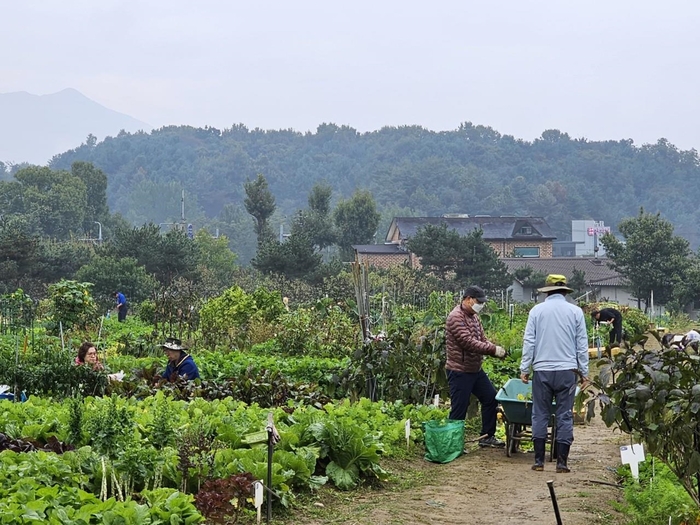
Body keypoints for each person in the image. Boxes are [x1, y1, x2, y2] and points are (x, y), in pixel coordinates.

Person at [521, 274, 589, 473]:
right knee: (565, 415)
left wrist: (525, 368)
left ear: (547, 291)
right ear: (565, 291)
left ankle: (539, 461)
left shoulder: (536, 311)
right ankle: (562, 463)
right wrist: (584, 372)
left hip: (542, 371)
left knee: (540, 414)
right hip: (567, 371)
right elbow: (581, 345)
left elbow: (529, 342)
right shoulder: (575, 312)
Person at [445, 285, 507, 448]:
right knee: (459, 407)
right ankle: (453, 444)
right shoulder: (455, 317)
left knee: (490, 398)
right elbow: (468, 342)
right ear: (468, 299)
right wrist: (493, 349)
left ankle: (487, 436)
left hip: (475, 370)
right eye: (479, 301)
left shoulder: (474, 317)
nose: (481, 305)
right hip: (459, 370)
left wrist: (494, 349)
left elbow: (482, 339)